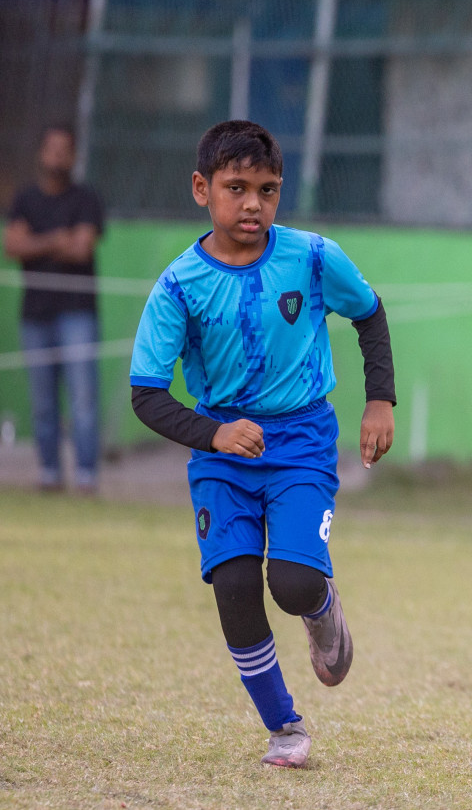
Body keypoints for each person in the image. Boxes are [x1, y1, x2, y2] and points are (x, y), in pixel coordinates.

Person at [128, 120, 396, 769]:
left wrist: (380, 400)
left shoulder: (311, 256)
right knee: (235, 585)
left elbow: (368, 312)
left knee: (295, 582)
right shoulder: (178, 287)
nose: (253, 204)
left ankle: (323, 610)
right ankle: (285, 729)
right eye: (236, 187)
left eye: (267, 190)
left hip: (302, 438)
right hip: (223, 453)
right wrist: (214, 432)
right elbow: (147, 394)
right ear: (202, 189)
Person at [3, 126, 105, 493]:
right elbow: (12, 245)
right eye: (52, 149)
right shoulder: (25, 199)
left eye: (66, 150)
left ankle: (86, 475)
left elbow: (82, 248)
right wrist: (54, 239)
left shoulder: (86, 199)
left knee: (83, 398)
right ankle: (48, 473)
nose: (58, 157)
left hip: (78, 312)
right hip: (35, 314)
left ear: (74, 155)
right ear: (42, 154)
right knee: (43, 401)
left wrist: (37, 243)